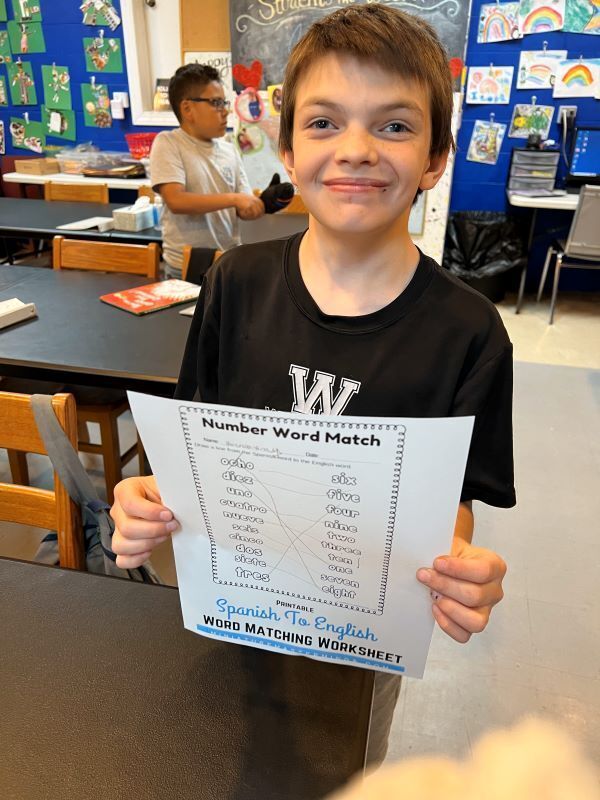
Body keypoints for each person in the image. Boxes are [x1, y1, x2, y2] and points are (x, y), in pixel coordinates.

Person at [111, 4, 514, 765]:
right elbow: (192, 454)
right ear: (288, 152)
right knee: (209, 765)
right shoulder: (235, 284)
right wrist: (146, 505)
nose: (356, 150)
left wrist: (457, 566)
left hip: (361, 654)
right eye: (325, 123)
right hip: (227, 623)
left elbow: (453, 499)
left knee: (336, 775)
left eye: (394, 126)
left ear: (435, 158)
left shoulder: (471, 332)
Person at [149, 63, 265, 278]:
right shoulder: (168, 143)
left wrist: (260, 205)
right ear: (187, 109)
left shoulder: (230, 150)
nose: (225, 111)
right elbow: (176, 201)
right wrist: (234, 199)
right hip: (186, 268)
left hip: (228, 262)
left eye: (224, 102)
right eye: (216, 103)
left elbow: (241, 206)